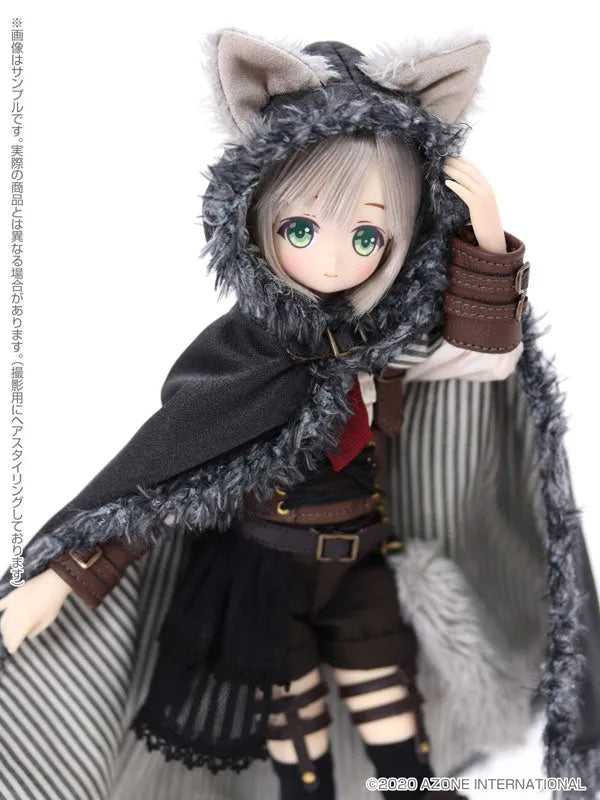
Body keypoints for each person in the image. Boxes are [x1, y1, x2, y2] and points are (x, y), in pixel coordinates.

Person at [1, 28, 599, 800]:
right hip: (262, 578)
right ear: (255, 217)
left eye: (367, 235)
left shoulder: (381, 344)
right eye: (302, 229)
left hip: (362, 563)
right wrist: (63, 575)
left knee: (401, 738)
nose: (333, 259)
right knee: (298, 749)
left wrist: (484, 236)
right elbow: (166, 481)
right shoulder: (240, 358)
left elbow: (484, 361)